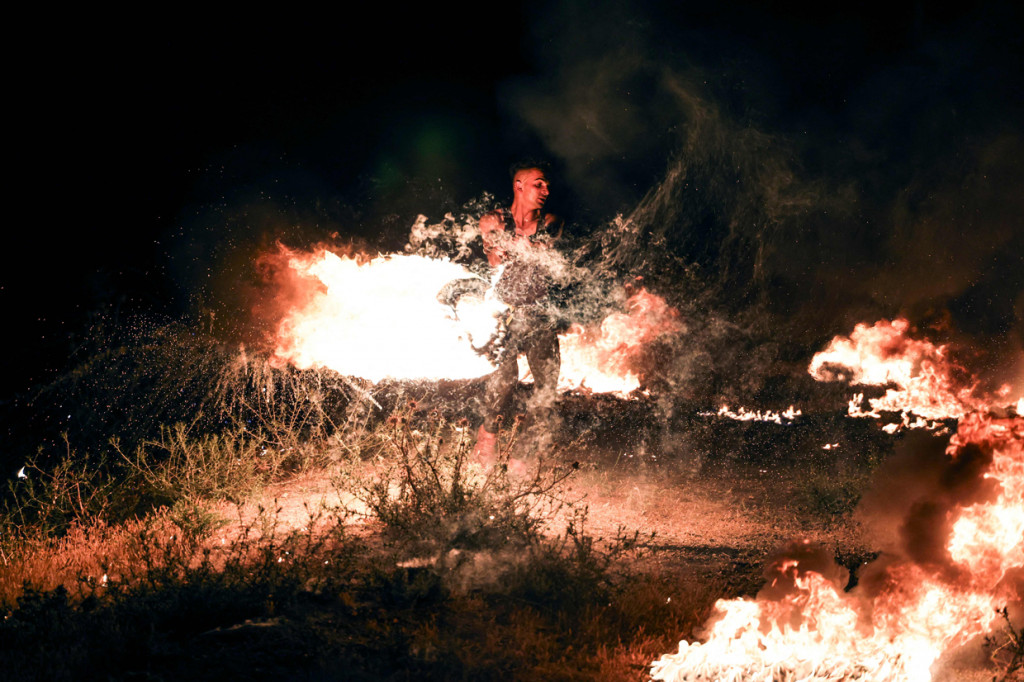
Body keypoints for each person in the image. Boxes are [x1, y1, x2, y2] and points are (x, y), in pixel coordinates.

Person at [473, 162, 564, 465]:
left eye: (547, 185)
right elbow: (495, 261)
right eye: (539, 184)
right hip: (505, 313)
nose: (546, 191)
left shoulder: (552, 220)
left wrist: (518, 245)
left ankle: (523, 458)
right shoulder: (493, 220)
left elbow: (544, 255)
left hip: (539, 314)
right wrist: (506, 245)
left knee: (547, 385)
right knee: (505, 379)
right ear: (519, 185)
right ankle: (486, 438)